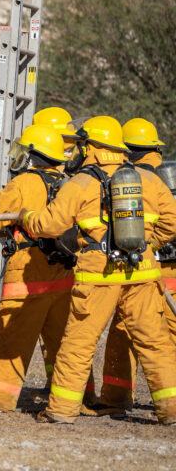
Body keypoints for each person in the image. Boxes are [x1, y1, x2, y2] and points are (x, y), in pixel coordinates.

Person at [19, 116, 176, 424]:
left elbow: (49, 225)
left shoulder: (81, 183)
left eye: (80, 145)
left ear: (92, 147)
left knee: (79, 342)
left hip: (98, 275)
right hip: (142, 271)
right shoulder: (147, 179)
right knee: (155, 343)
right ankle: (171, 410)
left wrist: (26, 217)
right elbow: (171, 222)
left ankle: (61, 410)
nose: (76, 151)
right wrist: (145, 245)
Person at [0, 124, 78, 411]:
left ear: (33, 155)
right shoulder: (69, 183)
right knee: (64, 342)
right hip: (64, 275)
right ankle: (77, 395)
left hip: (28, 273)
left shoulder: (24, 183)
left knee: (8, 340)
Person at [95, 117, 176, 414]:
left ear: (126, 149)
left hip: (141, 269)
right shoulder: (167, 175)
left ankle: (116, 398)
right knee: (165, 338)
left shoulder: (126, 179)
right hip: (169, 269)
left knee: (125, 331)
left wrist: (146, 245)